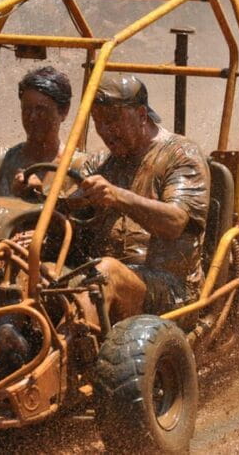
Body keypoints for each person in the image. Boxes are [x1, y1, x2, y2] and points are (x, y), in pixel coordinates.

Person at [74, 73, 211, 324]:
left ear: (141, 115)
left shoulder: (180, 155)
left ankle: (69, 358)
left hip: (172, 290)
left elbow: (175, 223)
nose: (105, 131)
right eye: (98, 122)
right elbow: (68, 207)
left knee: (106, 274)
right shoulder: (100, 163)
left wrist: (118, 196)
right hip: (102, 277)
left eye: (113, 120)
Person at [0, 66, 82, 197]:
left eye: (41, 110)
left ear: (64, 111)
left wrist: (40, 196)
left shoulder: (78, 166)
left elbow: (81, 216)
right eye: (26, 109)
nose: (32, 117)